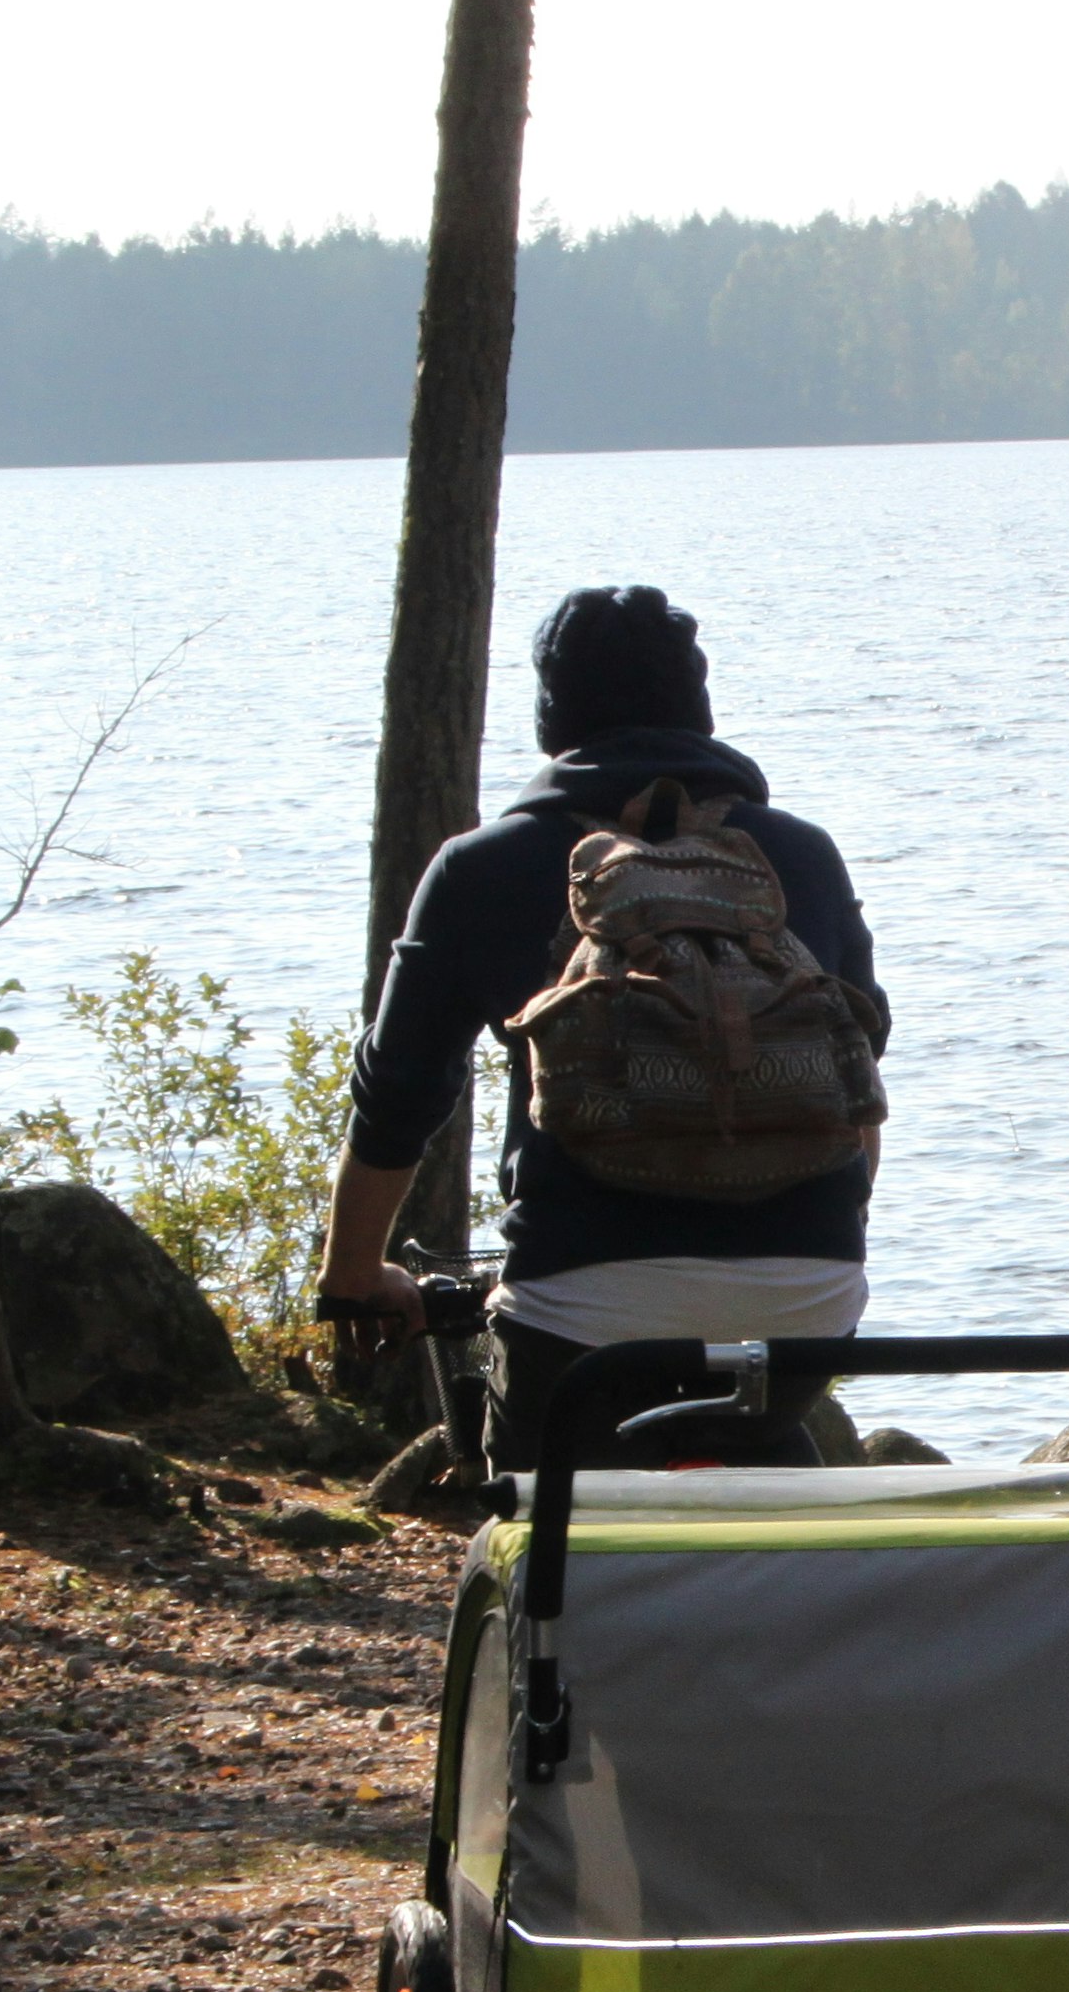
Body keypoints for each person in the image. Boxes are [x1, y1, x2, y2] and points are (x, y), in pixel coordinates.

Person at [317, 586, 881, 1465]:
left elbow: (399, 1093)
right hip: (806, 1299)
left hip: (583, 1314)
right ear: (698, 707)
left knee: (540, 1503)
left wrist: (353, 1275)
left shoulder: (483, 867)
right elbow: (860, 1081)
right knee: (761, 1449)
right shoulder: (801, 854)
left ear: (553, 715)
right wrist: (803, 1243)